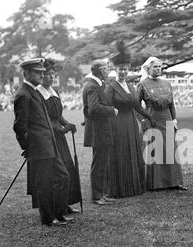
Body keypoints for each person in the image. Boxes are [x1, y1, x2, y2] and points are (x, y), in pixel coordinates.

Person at [13, 58, 70, 226]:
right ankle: (48, 218)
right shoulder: (23, 94)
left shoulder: (35, 91)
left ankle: (59, 213)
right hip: (39, 148)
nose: (42, 75)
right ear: (26, 73)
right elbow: (19, 126)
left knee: (63, 177)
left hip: (49, 145)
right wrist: (27, 147)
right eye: (38, 72)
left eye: (42, 72)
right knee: (44, 184)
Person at [105, 42, 156, 198]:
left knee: (133, 152)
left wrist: (149, 117)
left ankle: (134, 186)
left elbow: (137, 107)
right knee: (121, 154)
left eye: (125, 69)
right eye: (120, 69)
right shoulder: (111, 87)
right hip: (117, 124)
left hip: (131, 123)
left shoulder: (130, 86)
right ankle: (120, 188)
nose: (123, 72)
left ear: (128, 70)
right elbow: (106, 107)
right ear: (116, 70)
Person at [37, 59, 81, 215]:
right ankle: (56, 207)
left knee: (67, 168)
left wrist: (68, 123)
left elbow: (58, 115)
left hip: (59, 138)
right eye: (48, 74)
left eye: (53, 74)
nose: (51, 77)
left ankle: (66, 204)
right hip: (49, 137)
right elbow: (46, 119)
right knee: (56, 174)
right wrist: (61, 129)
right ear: (41, 76)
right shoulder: (39, 93)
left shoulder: (54, 91)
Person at [137, 57, 187, 191]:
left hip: (167, 119)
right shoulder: (143, 84)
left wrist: (174, 120)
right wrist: (142, 120)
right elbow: (136, 106)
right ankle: (156, 183)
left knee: (170, 149)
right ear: (148, 69)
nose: (158, 69)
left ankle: (174, 181)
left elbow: (171, 105)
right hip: (152, 119)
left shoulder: (166, 83)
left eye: (160, 67)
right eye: (155, 67)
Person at [83, 60, 119, 205]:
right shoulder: (92, 86)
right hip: (99, 131)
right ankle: (97, 196)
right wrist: (112, 110)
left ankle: (101, 193)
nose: (108, 70)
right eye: (105, 68)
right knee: (99, 164)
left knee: (102, 163)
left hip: (101, 130)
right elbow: (93, 108)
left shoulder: (97, 84)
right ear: (99, 70)